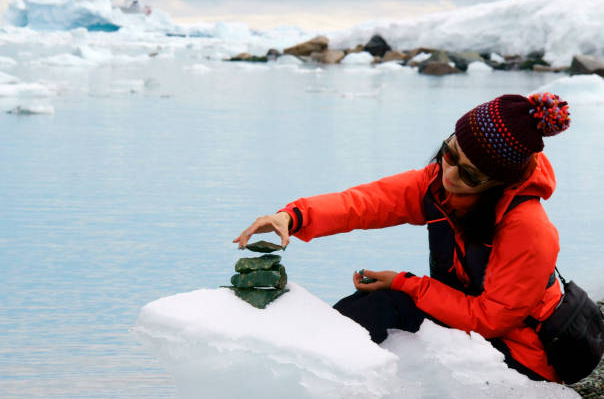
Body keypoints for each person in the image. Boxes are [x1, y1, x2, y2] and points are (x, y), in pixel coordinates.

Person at [233, 93, 571, 382]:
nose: (450, 174)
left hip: (524, 354)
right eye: (450, 154)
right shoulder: (438, 183)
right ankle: (303, 373)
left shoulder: (528, 229)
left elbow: (490, 319)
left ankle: (316, 380)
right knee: (368, 306)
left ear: (498, 184)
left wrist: (404, 284)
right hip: (473, 316)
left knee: (383, 305)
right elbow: (364, 204)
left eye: (469, 174)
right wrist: (292, 217)